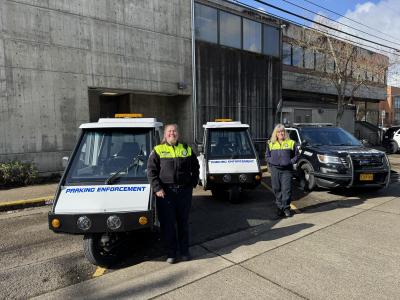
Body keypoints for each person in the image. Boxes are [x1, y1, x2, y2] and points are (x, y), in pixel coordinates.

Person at [147, 124, 200, 264]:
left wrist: (192, 184)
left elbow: (196, 167)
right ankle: (171, 253)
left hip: (184, 192)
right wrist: (157, 188)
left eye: (174, 131)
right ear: (165, 135)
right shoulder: (158, 150)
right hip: (166, 193)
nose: (172, 133)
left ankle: (184, 252)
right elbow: (151, 172)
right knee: (168, 224)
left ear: (178, 134)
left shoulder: (187, 149)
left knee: (183, 223)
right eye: (169, 131)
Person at [265, 124, 299, 218]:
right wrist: (272, 161)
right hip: (275, 170)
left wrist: (290, 161)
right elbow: (267, 156)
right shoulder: (270, 143)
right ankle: (280, 208)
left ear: (285, 132)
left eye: (282, 131)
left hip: (287, 170)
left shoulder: (291, 143)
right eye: (278, 132)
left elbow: (296, 155)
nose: (280, 133)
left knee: (286, 190)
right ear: (275, 133)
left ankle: (286, 208)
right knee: (277, 189)